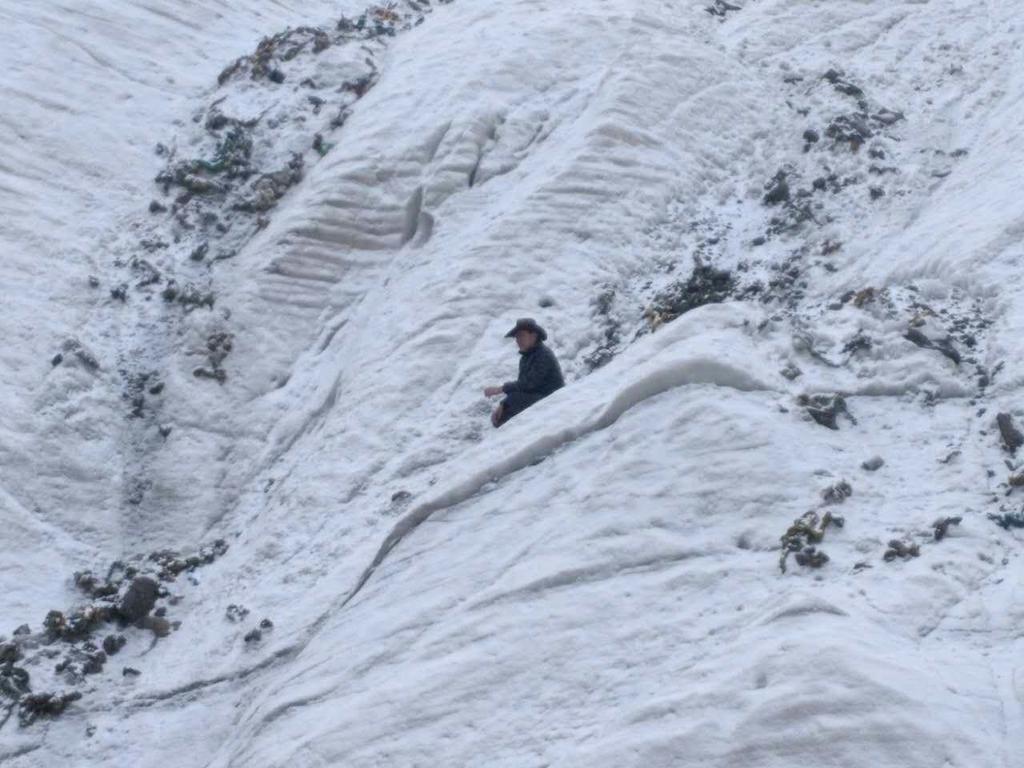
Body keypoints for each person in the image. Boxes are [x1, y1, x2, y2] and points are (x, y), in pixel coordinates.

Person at [484, 318, 564, 427]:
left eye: (521, 335)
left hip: (554, 401)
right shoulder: (526, 358)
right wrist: (503, 404)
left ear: (533, 336)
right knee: (507, 407)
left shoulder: (543, 355)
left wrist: (500, 390)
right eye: (516, 337)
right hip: (540, 398)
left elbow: (528, 384)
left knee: (513, 402)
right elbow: (522, 387)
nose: (517, 340)